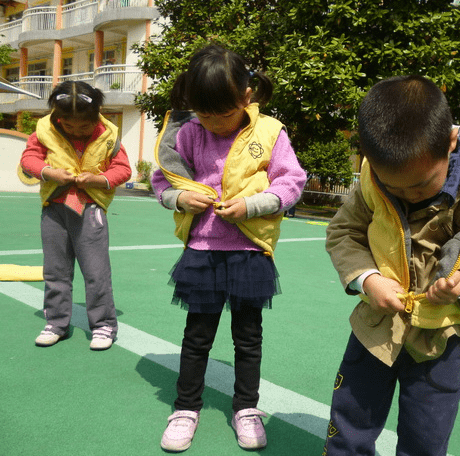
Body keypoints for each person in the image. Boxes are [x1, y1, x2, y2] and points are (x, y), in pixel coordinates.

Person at [323, 75, 460, 456]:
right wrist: (368, 280)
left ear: (450, 143)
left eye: (421, 185)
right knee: (349, 426)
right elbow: (343, 233)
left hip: (441, 336)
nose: (408, 195)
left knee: (426, 438)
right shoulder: (371, 180)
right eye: (394, 187)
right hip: (375, 328)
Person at [151, 44, 306, 452]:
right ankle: (185, 407)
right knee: (197, 335)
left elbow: (291, 182)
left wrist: (252, 205)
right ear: (192, 105)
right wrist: (180, 199)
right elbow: (162, 181)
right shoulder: (187, 133)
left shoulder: (270, 131)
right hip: (202, 249)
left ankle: (246, 408)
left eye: (225, 114)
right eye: (205, 114)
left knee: (248, 337)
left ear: (247, 96)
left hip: (249, 251)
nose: (215, 123)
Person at [20, 80, 132, 351]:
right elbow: (29, 159)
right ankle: (56, 323)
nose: (76, 131)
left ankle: (104, 325)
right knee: (55, 271)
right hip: (54, 208)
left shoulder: (108, 135)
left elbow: (124, 169)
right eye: (68, 125)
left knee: (96, 272)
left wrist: (99, 179)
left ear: (97, 116)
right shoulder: (44, 130)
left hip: (90, 209)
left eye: (83, 126)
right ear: (57, 117)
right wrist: (49, 172)